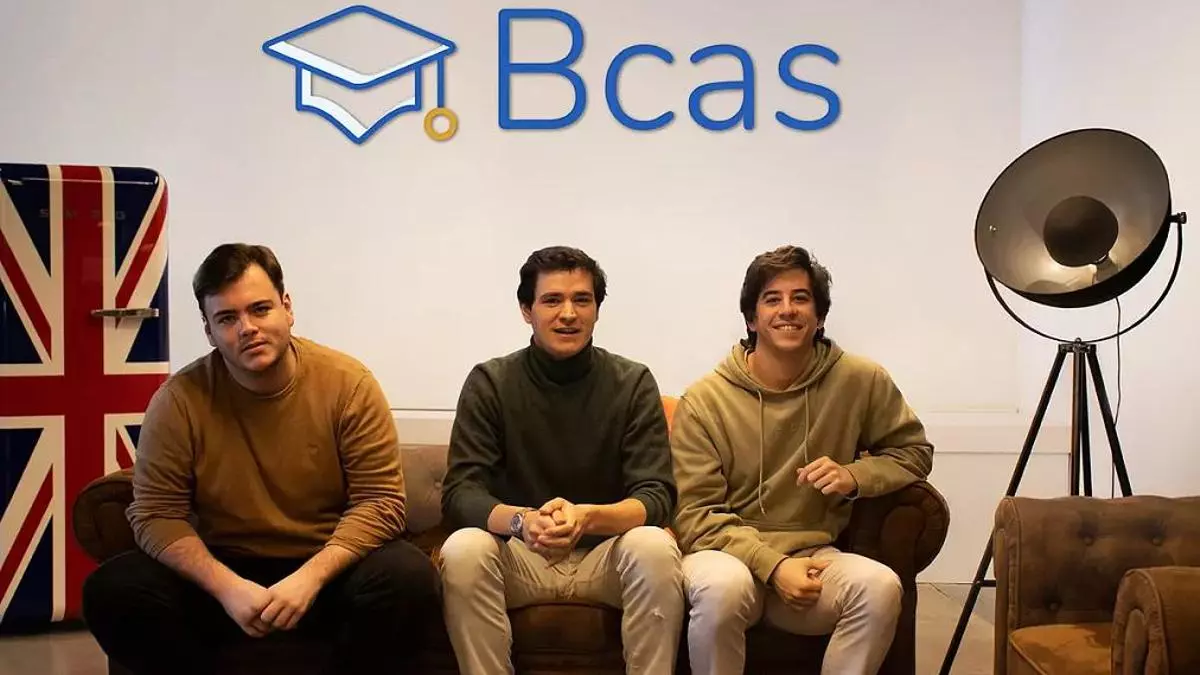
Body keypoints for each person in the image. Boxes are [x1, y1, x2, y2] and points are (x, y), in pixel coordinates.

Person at [81, 243, 440, 675]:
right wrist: (227, 589)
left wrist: (309, 579)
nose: (247, 328)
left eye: (260, 309)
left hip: (327, 568)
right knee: (113, 588)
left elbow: (380, 501)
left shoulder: (349, 385)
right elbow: (156, 514)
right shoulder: (178, 400)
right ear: (209, 330)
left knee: (407, 577)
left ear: (287, 308)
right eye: (227, 318)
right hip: (223, 570)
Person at [669, 245, 934, 675]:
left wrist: (854, 476)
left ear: (820, 316)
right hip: (727, 556)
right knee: (721, 590)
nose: (787, 310)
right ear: (751, 319)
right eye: (772, 299)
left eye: (801, 298)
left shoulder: (859, 380)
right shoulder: (705, 399)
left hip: (813, 556)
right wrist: (774, 567)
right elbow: (695, 516)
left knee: (880, 587)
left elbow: (914, 452)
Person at [437, 245, 684, 675]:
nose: (568, 313)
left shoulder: (632, 382)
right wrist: (524, 521)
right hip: (521, 557)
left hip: (605, 556)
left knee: (655, 546)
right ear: (526, 310)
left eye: (581, 300)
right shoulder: (490, 382)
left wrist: (588, 518)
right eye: (552, 300)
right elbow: (461, 493)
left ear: (597, 310)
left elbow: (656, 494)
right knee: (463, 549)